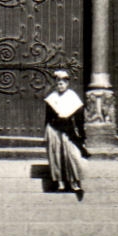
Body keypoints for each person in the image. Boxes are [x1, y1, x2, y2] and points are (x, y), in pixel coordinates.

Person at [43, 69, 86, 197]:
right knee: (56, 155)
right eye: (58, 82)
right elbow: (48, 117)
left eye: (63, 82)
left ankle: (74, 182)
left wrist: (81, 133)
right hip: (54, 129)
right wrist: (46, 131)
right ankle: (60, 182)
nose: (60, 85)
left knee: (71, 155)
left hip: (68, 130)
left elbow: (79, 116)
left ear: (67, 84)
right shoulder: (52, 98)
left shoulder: (72, 96)